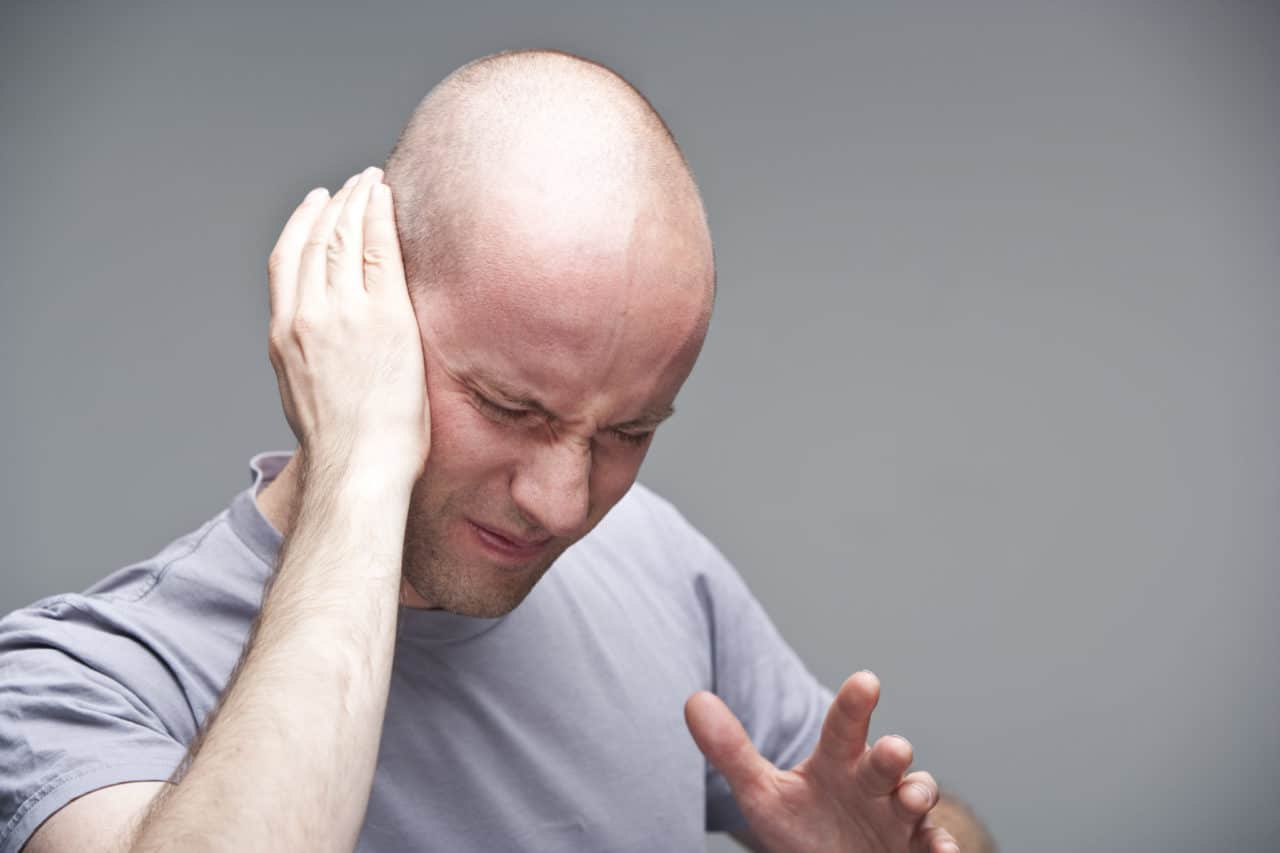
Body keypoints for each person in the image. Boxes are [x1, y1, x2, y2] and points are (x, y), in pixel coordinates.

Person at [0, 50, 994, 853]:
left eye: (628, 432)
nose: (563, 503)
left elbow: (934, 824)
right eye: (511, 407)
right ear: (365, 310)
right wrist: (358, 462)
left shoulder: (652, 555)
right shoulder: (82, 679)